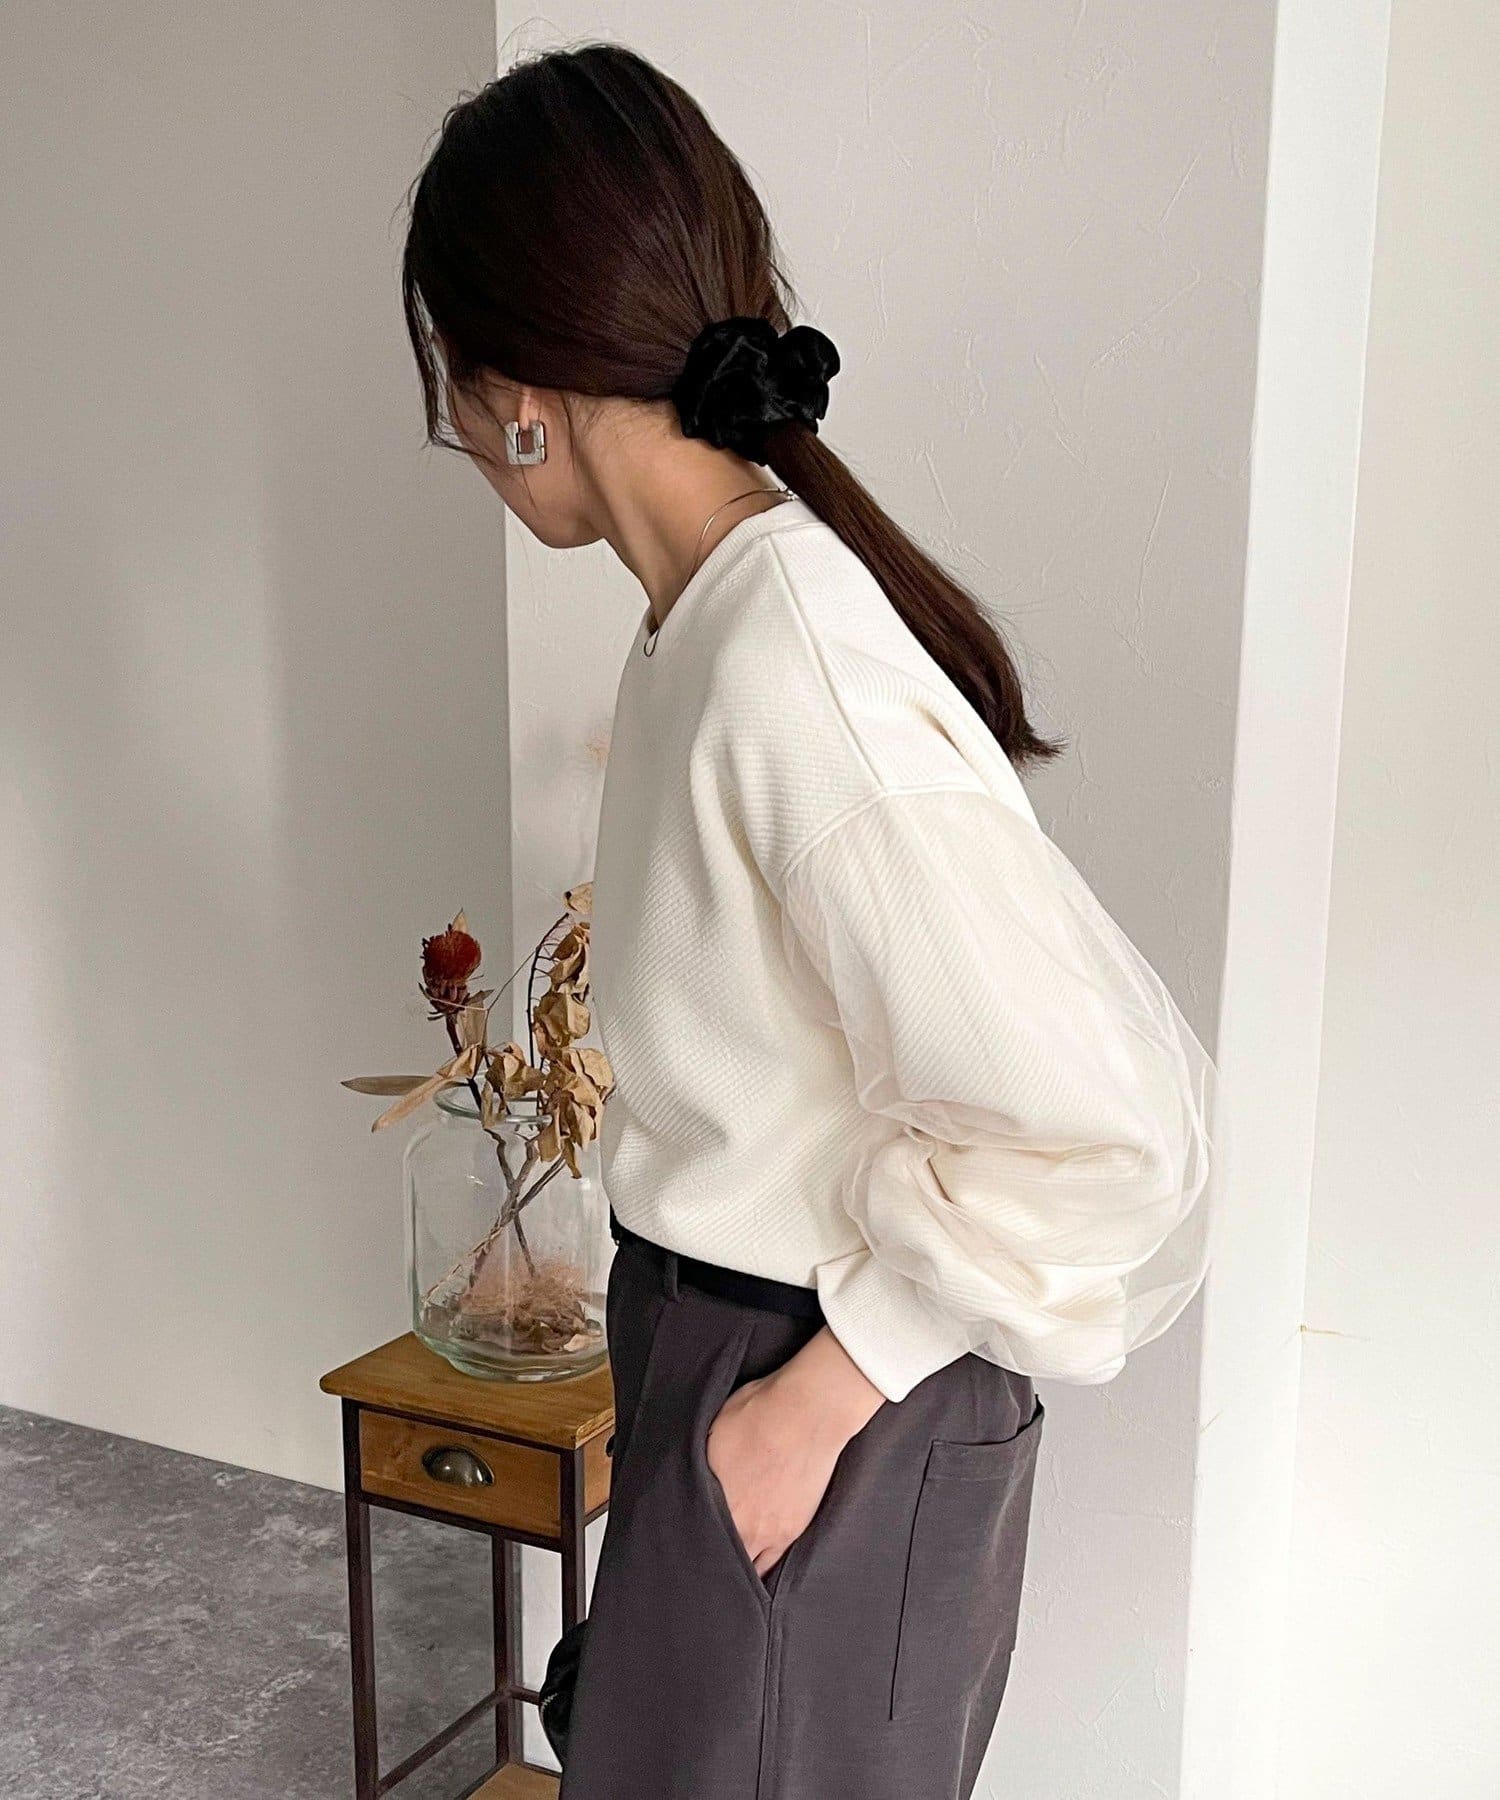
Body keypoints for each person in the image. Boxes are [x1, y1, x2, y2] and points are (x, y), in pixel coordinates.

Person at [401, 40, 1215, 1800]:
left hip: (818, 1389)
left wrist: (817, 1398)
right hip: (739, 1359)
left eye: (450, 386)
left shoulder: (790, 669)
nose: (461, 435)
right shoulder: (710, 621)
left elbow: (1107, 1136)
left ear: (518, 389)